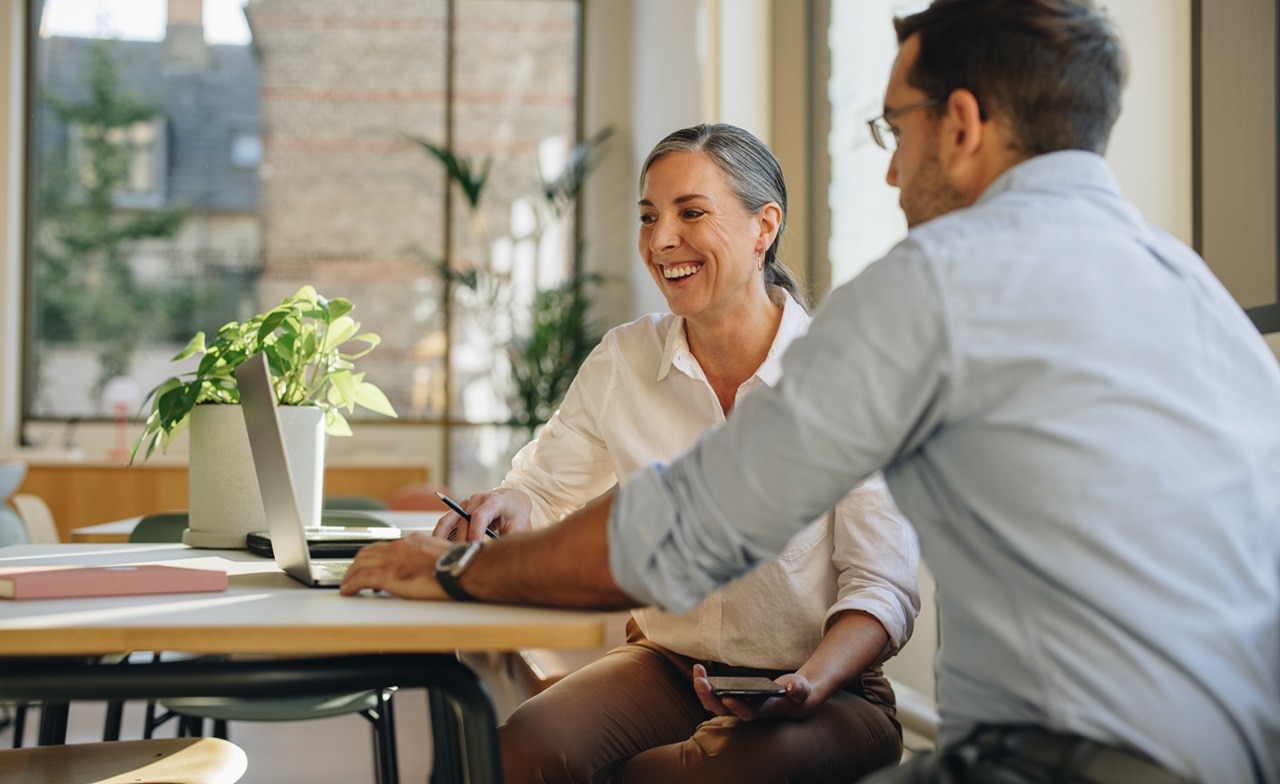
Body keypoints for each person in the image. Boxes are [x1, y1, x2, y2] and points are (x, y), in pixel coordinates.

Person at [342, 1, 1280, 781]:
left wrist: (454, 571)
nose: (889, 168)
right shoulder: (1197, 296)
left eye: (894, 128)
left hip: (1048, 761)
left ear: (960, 125)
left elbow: (686, 529)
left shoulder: (939, 281)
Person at [431, 123, 920, 784]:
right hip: (667, 664)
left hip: (831, 689)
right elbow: (544, 489)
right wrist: (506, 505)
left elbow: (881, 585)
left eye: (691, 213)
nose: (662, 240)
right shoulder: (624, 360)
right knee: (519, 750)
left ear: (763, 226)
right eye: (648, 217)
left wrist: (808, 682)